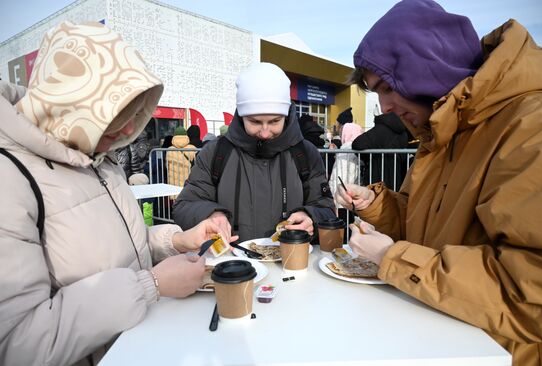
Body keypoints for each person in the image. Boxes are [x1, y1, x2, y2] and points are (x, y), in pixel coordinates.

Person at [0, 22, 235, 366]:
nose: (128, 128)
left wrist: (179, 239)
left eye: (135, 111)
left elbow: (122, 248)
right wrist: (150, 285)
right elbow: (18, 346)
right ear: (72, 101)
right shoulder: (10, 177)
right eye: (116, 111)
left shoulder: (99, 157)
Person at [335, 1, 542, 365]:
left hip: (495, 353)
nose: (385, 106)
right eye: (377, 93)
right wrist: (375, 204)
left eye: (388, 86)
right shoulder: (438, 129)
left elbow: (531, 294)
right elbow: (424, 228)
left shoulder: (532, 127)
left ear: (427, 63)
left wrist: (393, 258)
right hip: (437, 336)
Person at [173, 62, 336, 242]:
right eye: (255, 122)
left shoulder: (305, 153)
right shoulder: (215, 152)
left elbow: (326, 208)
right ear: (241, 116)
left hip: (291, 264)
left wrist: (311, 218)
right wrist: (210, 214)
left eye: (274, 121)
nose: (265, 132)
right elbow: (184, 207)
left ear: (287, 115)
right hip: (234, 264)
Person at [352, 112, 413, 190]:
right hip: (397, 175)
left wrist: (368, 157)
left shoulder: (379, 129)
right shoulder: (403, 132)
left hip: (376, 174)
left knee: (376, 198)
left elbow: (357, 144)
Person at [328, 122, 363, 205]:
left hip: (342, 195)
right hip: (355, 193)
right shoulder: (360, 149)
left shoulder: (345, 149)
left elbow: (338, 175)